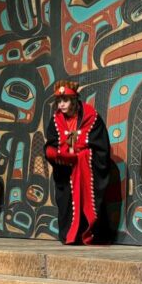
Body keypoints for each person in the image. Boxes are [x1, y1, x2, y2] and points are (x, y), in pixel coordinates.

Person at [43, 81, 111, 245]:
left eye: (65, 100)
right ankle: (70, 236)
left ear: (73, 100)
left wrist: (83, 154)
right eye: (59, 101)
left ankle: (90, 235)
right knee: (67, 202)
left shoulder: (91, 117)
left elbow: (101, 146)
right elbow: (51, 143)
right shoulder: (55, 120)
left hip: (87, 169)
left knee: (90, 201)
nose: (61, 105)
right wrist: (55, 153)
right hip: (66, 171)